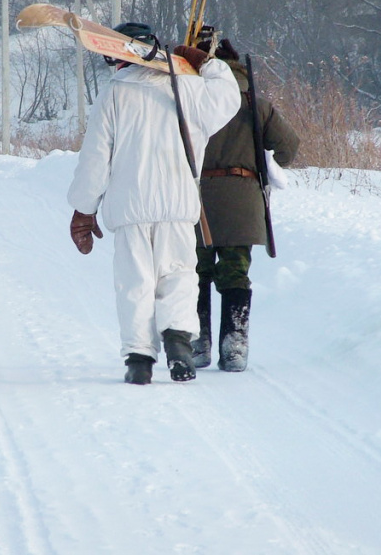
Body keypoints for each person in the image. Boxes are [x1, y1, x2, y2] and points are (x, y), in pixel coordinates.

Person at [67, 22, 243, 385]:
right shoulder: (190, 88)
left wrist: (84, 210)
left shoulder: (114, 94)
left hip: (130, 205)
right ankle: (179, 344)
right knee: (178, 275)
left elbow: (95, 160)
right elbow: (229, 96)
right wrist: (205, 62)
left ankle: (139, 360)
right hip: (178, 202)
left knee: (135, 282)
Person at [193, 36, 300, 372]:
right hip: (243, 199)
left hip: (196, 199)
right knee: (236, 273)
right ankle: (234, 347)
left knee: (196, 274)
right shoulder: (255, 103)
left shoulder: (192, 98)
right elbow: (288, 148)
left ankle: (199, 343)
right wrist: (262, 165)